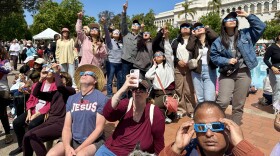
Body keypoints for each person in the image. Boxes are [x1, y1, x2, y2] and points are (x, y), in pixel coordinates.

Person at [210, 10, 266, 125]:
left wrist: (247, 16)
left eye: (233, 19)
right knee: (223, 101)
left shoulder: (246, 34)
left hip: (243, 72)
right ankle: (216, 123)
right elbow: (214, 57)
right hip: (227, 73)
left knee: (238, 104)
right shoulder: (218, 41)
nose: (232, 21)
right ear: (223, 24)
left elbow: (261, 27)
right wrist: (226, 60)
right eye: (228, 19)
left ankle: (235, 127)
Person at [159, 101, 264, 156]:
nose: (208, 134)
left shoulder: (238, 153)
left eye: (216, 126)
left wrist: (241, 144)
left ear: (227, 127)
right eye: (201, 127)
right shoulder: (188, 151)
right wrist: (177, 148)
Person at [95, 75, 165, 155]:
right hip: (112, 150)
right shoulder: (126, 104)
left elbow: (159, 141)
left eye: (142, 89)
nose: (138, 91)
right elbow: (108, 114)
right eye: (135, 89)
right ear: (132, 92)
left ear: (147, 94)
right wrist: (123, 88)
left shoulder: (154, 112)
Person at [47, 64, 107, 156]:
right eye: (82, 73)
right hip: (73, 139)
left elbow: (99, 129)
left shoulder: (101, 98)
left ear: (95, 80)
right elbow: (67, 127)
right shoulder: (72, 99)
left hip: (94, 142)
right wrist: (67, 147)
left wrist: (78, 149)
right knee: (51, 154)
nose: (84, 75)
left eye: (89, 73)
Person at [22, 65, 75, 156]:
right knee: (27, 136)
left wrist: (56, 72)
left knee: (34, 136)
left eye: (61, 77)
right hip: (50, 121)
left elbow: (60, 87)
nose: (58, 78)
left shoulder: (71, 91)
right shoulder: (55, 93)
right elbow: (36, 93)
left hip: (61, 124)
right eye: (59, 77)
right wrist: (41, 79)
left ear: (67, 80)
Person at [9, 68, 56, 155]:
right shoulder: (38, 84)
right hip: (34, 109)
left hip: (45, 112)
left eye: (49, 71)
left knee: (32, 125)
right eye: (44, 72)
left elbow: (52, 103)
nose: (47, 73)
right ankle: (22, 146)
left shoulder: (55, 86)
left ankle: (29, 148)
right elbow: (30, 99)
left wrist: (38, 113)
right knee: (16, 123)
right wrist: (29, 111)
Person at [146, 26, 175, 123]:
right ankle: (166, 114)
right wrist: (154, 65)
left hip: (167, 94)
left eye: (160, 55)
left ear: (163, 57)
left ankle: (169, 113)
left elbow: (169, 52)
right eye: (156, 55)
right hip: (157, 94)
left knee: (152, 107)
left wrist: (166, 39)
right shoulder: (155, 68)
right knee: (151, 107)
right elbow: (147, 76)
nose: (158, 56)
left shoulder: (168, 66)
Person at [186, 23, 218, 103]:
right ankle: (201, 115)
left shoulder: (210, 41)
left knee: (209, 98)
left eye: (201, 27)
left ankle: (209, 115)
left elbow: (216, 37)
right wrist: (193, 36)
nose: (198, 28)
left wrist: (207, 29)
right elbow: (189, 47)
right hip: (197, 71)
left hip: (209, 70)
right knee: (200, 98)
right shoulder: (194, 42)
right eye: (196, 28)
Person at [171, 22, 196, 119]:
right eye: (182, 27)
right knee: (179, 89)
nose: (185, 28)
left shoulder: (194, 39)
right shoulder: (175, 41)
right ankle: (181, 109)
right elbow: (171, 54)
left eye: (187, 27)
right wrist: (177, 61)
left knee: (189, 90)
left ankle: (191, 110)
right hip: (179, 68)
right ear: (180, 30)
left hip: (190, 68)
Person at [101, 16, 124, 98]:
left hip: (119, 63)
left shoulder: (122, 43)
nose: (116, 33)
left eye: (118, 32)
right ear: (112, 34)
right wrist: (104, 24)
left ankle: (119, 93)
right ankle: (110, 94)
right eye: (114, 32)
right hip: (111, 63)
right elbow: (107, 33)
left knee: (120, 80)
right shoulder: (109, 41)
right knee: (110, 80)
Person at [121, 1, 143, 79]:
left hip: (135, 63)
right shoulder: (126, 33)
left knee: (133, 81)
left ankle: (131, 92)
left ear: (139, 28)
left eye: (137, 24)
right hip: (125, 61)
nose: (134, 25)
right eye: (133, 24)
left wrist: (142, 30)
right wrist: (124, 11)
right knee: (125, 80)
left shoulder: (140, 37)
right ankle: (124, 92)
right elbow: (123, 23)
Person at [0, 46, 13, 144]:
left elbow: (8, 70)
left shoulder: (5, 62)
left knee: (2, 113)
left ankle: (8, 133)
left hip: (2, 90)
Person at [264, 33, 280, 105]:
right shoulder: (272, 47)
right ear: (279, 37)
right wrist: (272, 67)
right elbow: (265, 59)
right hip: (276, 72)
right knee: (277, 91)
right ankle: (276, 109)